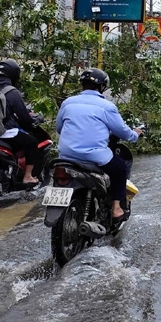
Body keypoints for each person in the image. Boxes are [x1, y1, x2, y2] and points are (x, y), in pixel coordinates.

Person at [56, 68, 142, 221]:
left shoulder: (67, 102)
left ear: (82, 84)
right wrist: (135, 134)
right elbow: (122, 131)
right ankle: (116, 209)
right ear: (102, 87)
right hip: (94, 157)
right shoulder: (106, 106)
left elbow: (59, 128)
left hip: (66, 155)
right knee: (120, 168)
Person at [0, 58, 43, 186]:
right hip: (3, 131)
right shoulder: (12, 91)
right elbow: (24, 117)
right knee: (32, 142)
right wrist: (35, 119)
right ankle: (27, 176)